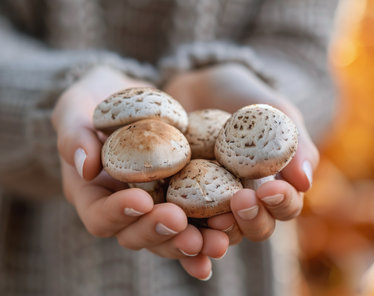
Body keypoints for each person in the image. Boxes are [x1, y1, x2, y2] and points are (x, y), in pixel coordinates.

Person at [0, 0, 338, 295]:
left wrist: (275, 102)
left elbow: (305, 57)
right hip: (31, 262)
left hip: (242, 272)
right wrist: (50, 105)